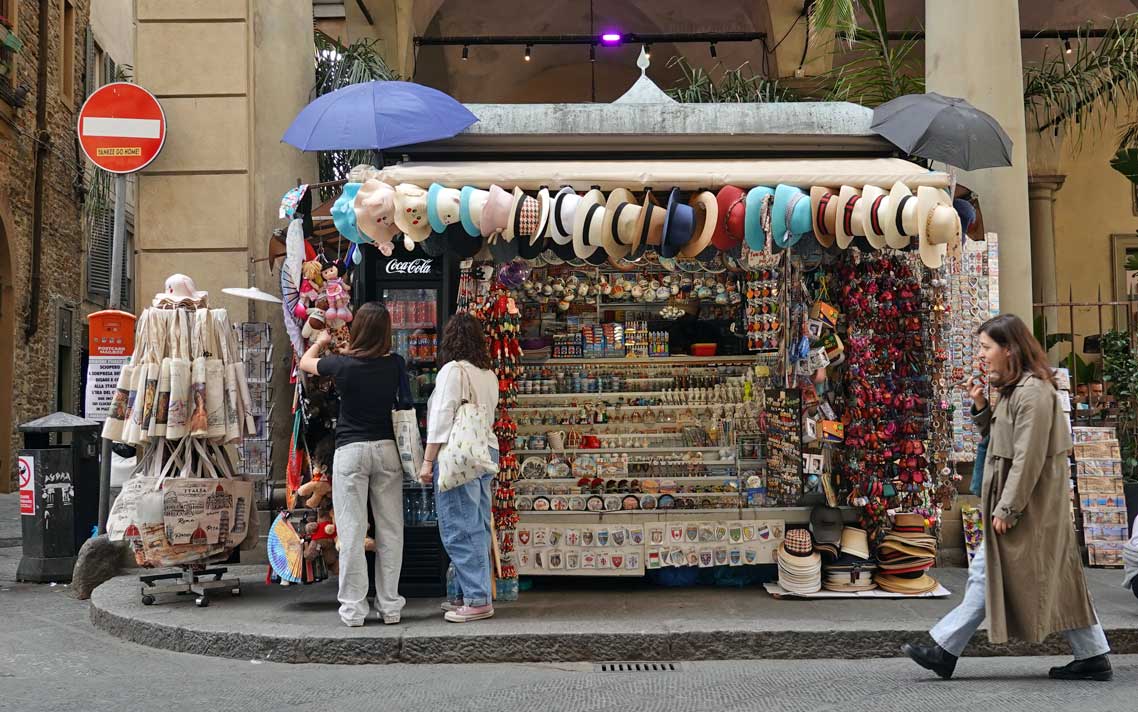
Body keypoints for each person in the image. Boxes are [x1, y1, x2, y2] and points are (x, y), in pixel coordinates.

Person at [903, 314, 1112, 681]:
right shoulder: (1019, 389)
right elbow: (1001, 438)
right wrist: (981, 405)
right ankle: (1092, 655)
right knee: (1050, 575)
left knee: (993, 571)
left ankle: (944, 649)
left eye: (986, 347)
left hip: (1029, 506)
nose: (981, 355)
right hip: (1027, 504)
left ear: (1009, 348)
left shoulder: (1033, 392)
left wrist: (1009, 508)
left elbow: (1028, 456)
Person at [298, 302, 406, 627]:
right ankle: (390, 607)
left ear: (357, 329)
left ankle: (354, 610)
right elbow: (405, 402)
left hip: (350, 450)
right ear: (386, 332)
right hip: (386, 448)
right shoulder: (395, 363)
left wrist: (321, 340)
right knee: (391, 530)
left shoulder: (342, 364)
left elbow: (305, 362)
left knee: (351, 531)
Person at [418, 313, 500, 623]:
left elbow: (441, 418)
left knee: (458, 526)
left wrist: (428, 461)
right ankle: (471, 593)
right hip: (485, 450)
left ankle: (477, 599)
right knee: (477, 523)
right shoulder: (488, 375)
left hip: (459, 454)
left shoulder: (453, 370)